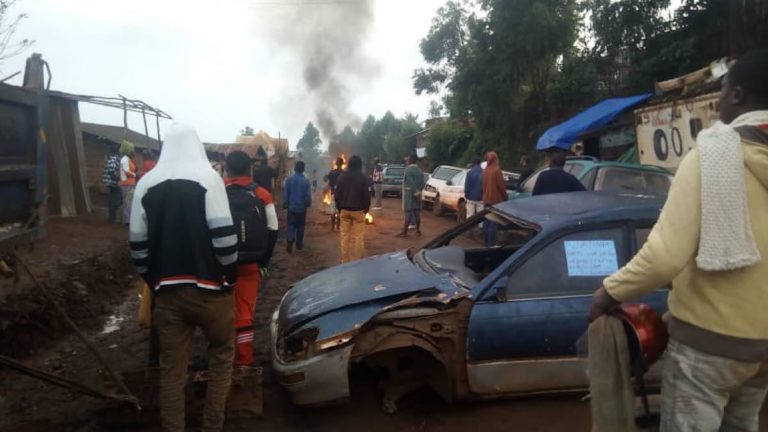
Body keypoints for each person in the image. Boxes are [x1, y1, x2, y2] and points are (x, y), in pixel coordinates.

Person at [589, 48, 768, 432]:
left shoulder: (711, 155)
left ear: (737, 96)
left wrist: (609, 292)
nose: (718, 100)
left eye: (723, 90)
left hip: (709, 347)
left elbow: (665, 257)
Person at [129, 123, 238, 432]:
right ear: (197, 147)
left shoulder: (145, 184)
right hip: (212, 293)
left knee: (171, 372)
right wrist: (228, 278)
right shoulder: (209, 180)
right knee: (221, 355)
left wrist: (154, 282)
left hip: (168, 295)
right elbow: (225, 240)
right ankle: (212, 425)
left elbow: (137, 245)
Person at [224, 151, 278, 366]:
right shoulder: (263, 194)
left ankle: (224, 359)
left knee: (222, 312)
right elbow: (273, 229)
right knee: (245, 312)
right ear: (250, 170)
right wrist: (263, 263)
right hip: (252, 263)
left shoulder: (215, 193)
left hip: (222, 265)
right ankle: (244, 362)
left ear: (226, 169)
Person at [334, 155, 371, 263]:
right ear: (360, 165)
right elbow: (366, 195)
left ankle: (344, 261)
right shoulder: (363, 177)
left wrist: (339, 207)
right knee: (358, 237)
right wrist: (366, 209)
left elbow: (337, 195)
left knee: (345, 237)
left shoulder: (342, 176)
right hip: (359, 211)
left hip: (344, 211)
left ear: (349, 164)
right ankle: (357, 262)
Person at [283, 160, 312, 253]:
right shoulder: (306, 181)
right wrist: (308, 204)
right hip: (301, 208)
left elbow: (286, 194)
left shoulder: (289, 180)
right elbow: (308, 196)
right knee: (300, 226)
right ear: (303, 169)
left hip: (291, 208)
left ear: (295, 168)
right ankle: (299, 244)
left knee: (291, 225)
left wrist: (285, 204)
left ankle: (290, 241)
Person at [397, 154, 426, 237]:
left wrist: (414, 192)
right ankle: (418, 231)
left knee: (408, 214)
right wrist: (419, 192)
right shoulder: (420, 171)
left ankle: (404, 232)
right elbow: (423, 183)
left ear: (410, 160)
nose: (406, 161)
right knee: (417, 213)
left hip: (409, 195)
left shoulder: (408, 170)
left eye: (407, 160)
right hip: (417, 195)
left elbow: (410, 182)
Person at [482, 151, 506, 247]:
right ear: (495, 159)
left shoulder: (486, 170)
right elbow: (500, 186)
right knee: (493, 223)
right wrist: (505, 197)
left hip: (486, 199)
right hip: (496, 200)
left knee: (486, 222)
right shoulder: (497, 170)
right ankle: (491, 245)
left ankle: (486, 243)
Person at [102, 143, 122, 223]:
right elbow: (112, 171)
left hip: (109, 181)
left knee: (112, 198)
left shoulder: (110, 158)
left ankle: (112, 216)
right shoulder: (114, 159)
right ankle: (112, 217)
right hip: (114, 182)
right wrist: (118, 179)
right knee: (116, 199)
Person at [119, 141, 137, 225]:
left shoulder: (127, 159)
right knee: (127, 202)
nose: (133, 151)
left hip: (130, 183)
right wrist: (135, 174)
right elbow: (126, 172)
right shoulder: (124, 160)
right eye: (132, 150)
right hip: (126, 184)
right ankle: (126, 221)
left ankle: (128, 219)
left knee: (130, 202)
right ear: (128, 150)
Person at [464, 156, 484, 221]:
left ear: (473, 163)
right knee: (480, 216)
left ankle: (469, 229)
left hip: (471, 197)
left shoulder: (470, 172)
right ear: (480, 163)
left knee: (470, 214)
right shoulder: (484, 173)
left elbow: (467, 186)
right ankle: (480, 229)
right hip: (481, 198)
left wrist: (466, 195)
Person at [327, 157, 344, 231]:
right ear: (342, 164)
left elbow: (330, 183)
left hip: (333, 193)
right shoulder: (344, 173)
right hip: (342, 195)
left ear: (336, 164)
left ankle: (332, 227)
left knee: (332, 211)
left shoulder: (331, 172)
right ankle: (338, 227)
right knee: (340, 211)